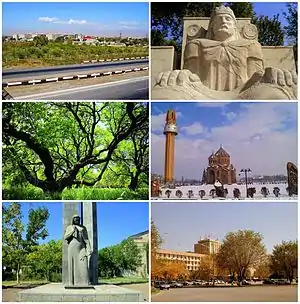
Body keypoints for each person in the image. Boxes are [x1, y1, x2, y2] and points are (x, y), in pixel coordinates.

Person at [153, 5, 297, 100]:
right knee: (162, 94)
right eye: (219, 19)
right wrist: (178, 75)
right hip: (200, 94)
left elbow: (256, 76)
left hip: (245, 93)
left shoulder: (251, 45)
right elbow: (190, 77)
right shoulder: (196, 44)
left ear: (235, 26)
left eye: (228, 19)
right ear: (212, 26)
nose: (223, 21)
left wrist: (271, 74)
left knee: (280, 94)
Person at [64, 215, 92, 286]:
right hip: (72, 248)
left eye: (78, 219)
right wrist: (72, 231)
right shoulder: (69, 227)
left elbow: (86, 240)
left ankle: (85, 282)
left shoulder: (83, 228)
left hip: (81, 248)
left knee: (83, 265)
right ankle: (72, 283)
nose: (77, 220)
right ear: (73, 220)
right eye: (76, 219)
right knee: (72, 265)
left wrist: (88, 249)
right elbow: (65, 237)